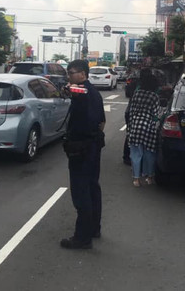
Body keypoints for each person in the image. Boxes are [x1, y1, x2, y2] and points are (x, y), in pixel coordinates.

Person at [60, 59, 105, 250]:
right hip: (93, 146)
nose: (69, 75)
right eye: (68, 72)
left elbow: (76, 91)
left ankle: (82, 237)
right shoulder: (94, 93)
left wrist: (69, 90)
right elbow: (102, 121)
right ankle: (94, 228)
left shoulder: (83, 91)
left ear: (83, 74)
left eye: (72, 72)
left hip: (82, 149)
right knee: (93, 188)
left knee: (81, 193)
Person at [126, 68, 161, 186]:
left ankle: (136, 179)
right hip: (149, 127)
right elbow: (156, 115)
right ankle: (149, 177)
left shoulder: (137, 94)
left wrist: (130, 127)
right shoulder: (154, 96)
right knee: (149, 153)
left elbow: (131, 111)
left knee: (136, 153)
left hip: (136, 125)